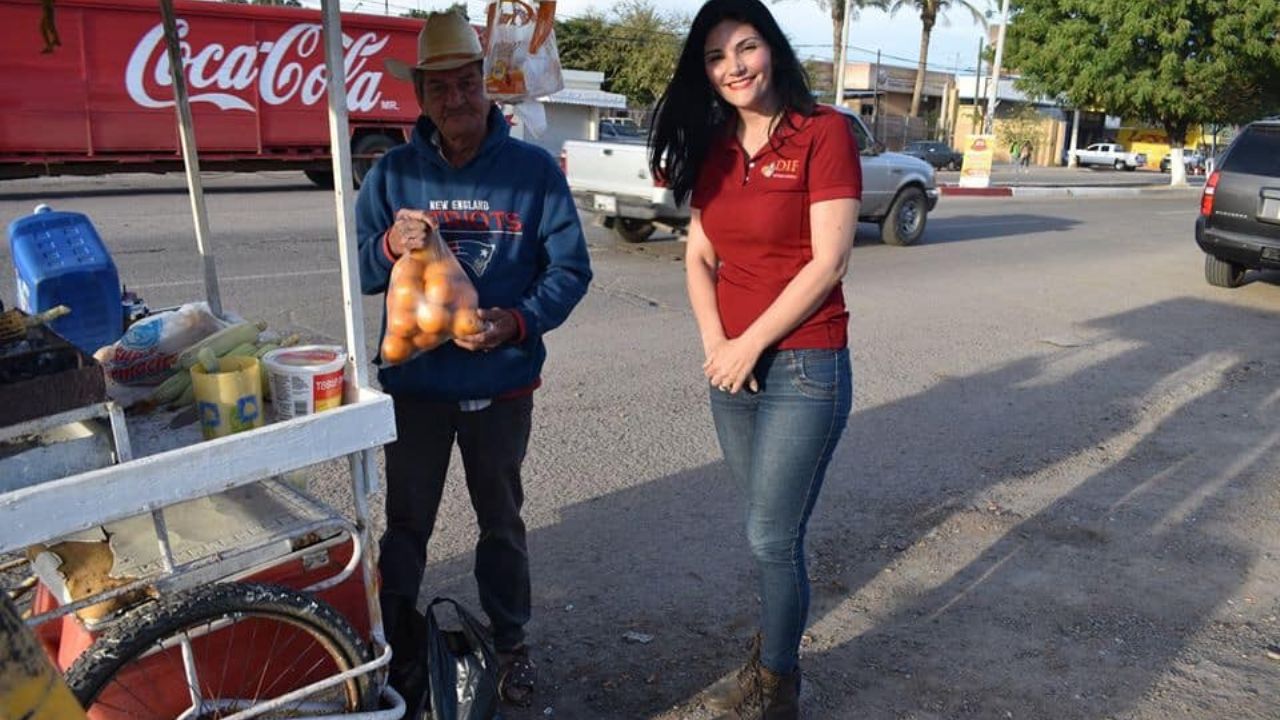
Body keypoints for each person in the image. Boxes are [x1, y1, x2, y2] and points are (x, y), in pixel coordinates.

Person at [355, 8, 592, 708]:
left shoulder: (533, 170)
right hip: (416, 388)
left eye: (467, 84)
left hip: (502, 383)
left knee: (501, 521)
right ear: (419, 96)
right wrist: (392, 247)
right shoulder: (393, 172)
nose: (455, 100)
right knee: (406, 525)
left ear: (488, 85)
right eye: (439, 89)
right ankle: (391, 647)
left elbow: (570, 270)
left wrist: (516, 321)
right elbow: (359, 270)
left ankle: (512, 643)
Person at [648, 0, 860, 717]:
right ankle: (777, 638)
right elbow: (700, 254)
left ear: (773, 48)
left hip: (805, 365)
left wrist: (749, 344)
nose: (733, 66)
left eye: (745, 47)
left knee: (772, 534)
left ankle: (777, 677)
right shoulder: (714, 147)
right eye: (715, 56)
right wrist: (716, 344)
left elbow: (828, 262)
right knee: (767, 529)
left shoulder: (822, 133)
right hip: (731, 368)